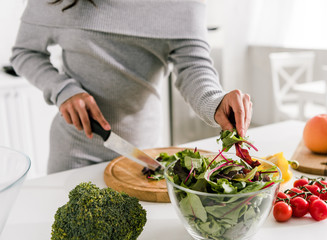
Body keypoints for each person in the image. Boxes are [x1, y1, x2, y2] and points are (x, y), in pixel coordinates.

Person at [11, 0, 252, 173]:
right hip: (75, 156)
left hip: (143, 156)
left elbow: (194, 67)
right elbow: (25, 52)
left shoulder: (183, 4)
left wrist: (216, 101)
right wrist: (63, 90)